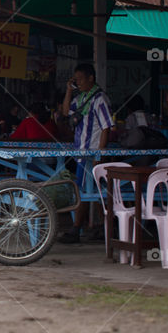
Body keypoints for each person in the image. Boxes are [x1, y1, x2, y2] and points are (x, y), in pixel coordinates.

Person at [58, 63, 113, 243]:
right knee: (92, 191)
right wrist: (68, 90)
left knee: (84, 191)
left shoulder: (100, 99)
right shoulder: (81, 99)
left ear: (91, 78)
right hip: (81, 152)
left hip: (92, 155)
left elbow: (106, 127)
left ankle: (77, 228)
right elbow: (66, 112)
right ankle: (102, 227)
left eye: (80, 79)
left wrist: (99, 155)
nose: (78, 83)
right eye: (76, 80)